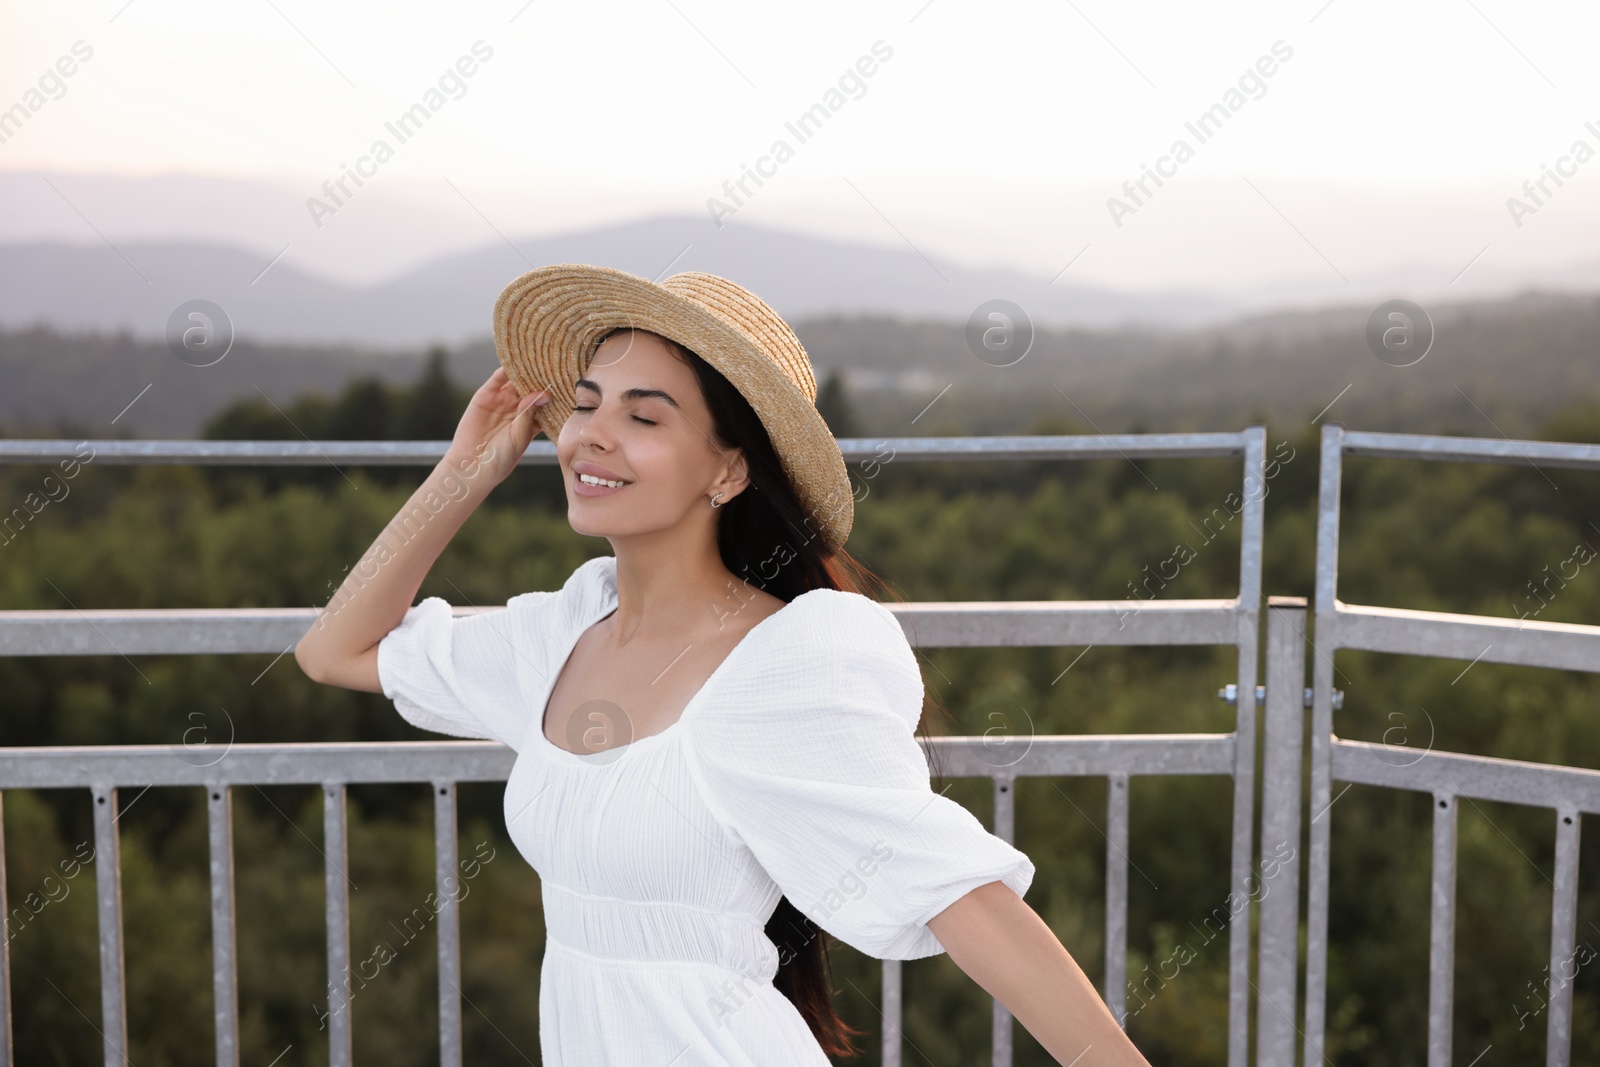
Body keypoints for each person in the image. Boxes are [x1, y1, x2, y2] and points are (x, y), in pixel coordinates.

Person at [295, 264, 1151, 1065]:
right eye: (587, 404)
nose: (593, 436)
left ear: (729, 468)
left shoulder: (782, 662)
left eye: (644, 415)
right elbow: (334, 650)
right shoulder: (559, 633)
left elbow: (969, 906)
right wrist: (462, 474)